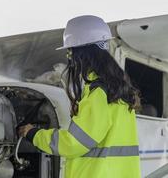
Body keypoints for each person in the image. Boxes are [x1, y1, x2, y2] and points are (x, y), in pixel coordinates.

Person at [18, 15, 141, 178]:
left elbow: (74, 143)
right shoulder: (119, 92)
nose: (71, 60)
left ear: (79, 54)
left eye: (70, 54)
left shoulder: (98, 93)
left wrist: (33, 133)